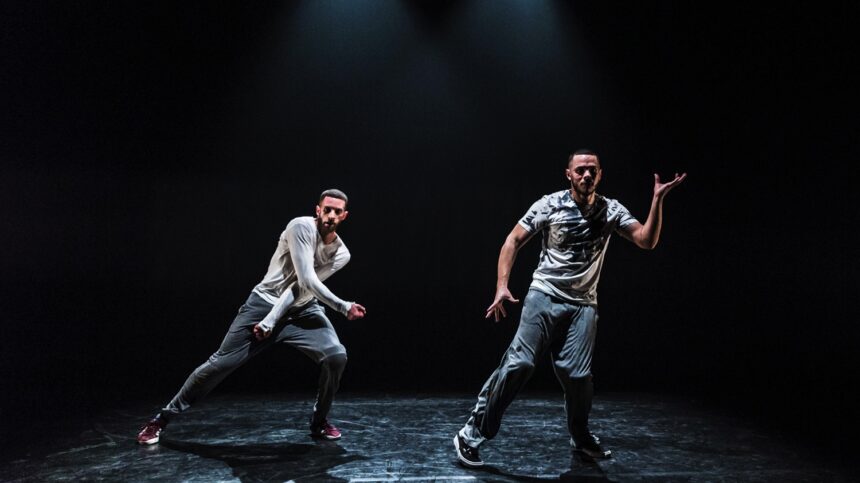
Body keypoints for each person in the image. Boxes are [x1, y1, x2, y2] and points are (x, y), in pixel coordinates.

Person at [453, 150, 686, 467]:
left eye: (593, 170)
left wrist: (657, 199)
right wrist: (501, 285)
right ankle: (471, 433)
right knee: (520, 364)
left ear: (600, 174)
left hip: (583, 305)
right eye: (581, 170)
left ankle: (580, 436)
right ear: (569, 174)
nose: (587, 175)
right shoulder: (549, 204)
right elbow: (513, 240)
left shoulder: (610, 209)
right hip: (544, 295)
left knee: (577, 376)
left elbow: (646, 240)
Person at [137, 189, 366, 445]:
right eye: (327, 209)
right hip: (263, 303)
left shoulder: (341, 253)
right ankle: (161, 419)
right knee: (219, 364)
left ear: (344, 216)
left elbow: (301, 289)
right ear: (318, 210)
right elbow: (305, 278)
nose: (331, 215)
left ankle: (319, 421)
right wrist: (343, 307)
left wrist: (273, 321)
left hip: (303, 310)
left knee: (336, 355)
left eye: (337, 211)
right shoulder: (300, 227)